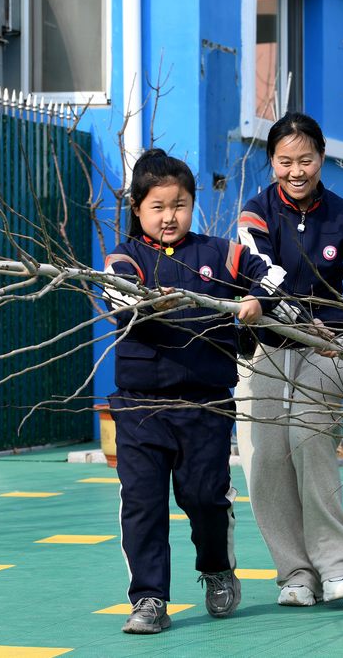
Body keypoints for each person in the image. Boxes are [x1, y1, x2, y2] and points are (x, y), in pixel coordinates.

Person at [103, 148, 272, 634]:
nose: (169, 216)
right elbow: (120, 296)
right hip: (139, 408)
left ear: (192, 204)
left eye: (179, 204)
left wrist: (256, 299)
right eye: (157, 207)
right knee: (142, 502)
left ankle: (217, 568)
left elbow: (270, 276)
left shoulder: (220, 254)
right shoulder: (124, 258)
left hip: (206, 404)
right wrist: (161, 302)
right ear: (137, 209)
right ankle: (149, 598)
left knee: (204, 497)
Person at [235, 111, 343, 608]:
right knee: (265, 458)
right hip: (268, 345)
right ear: (272, 163)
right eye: (285, 161)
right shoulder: (255, 214)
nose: (296, 170)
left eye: (306, 159)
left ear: (323, 159)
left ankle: (335, 565)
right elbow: (261, 274)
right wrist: (298, 318)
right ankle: (295, 572)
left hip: (329, 346)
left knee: (309, 439)